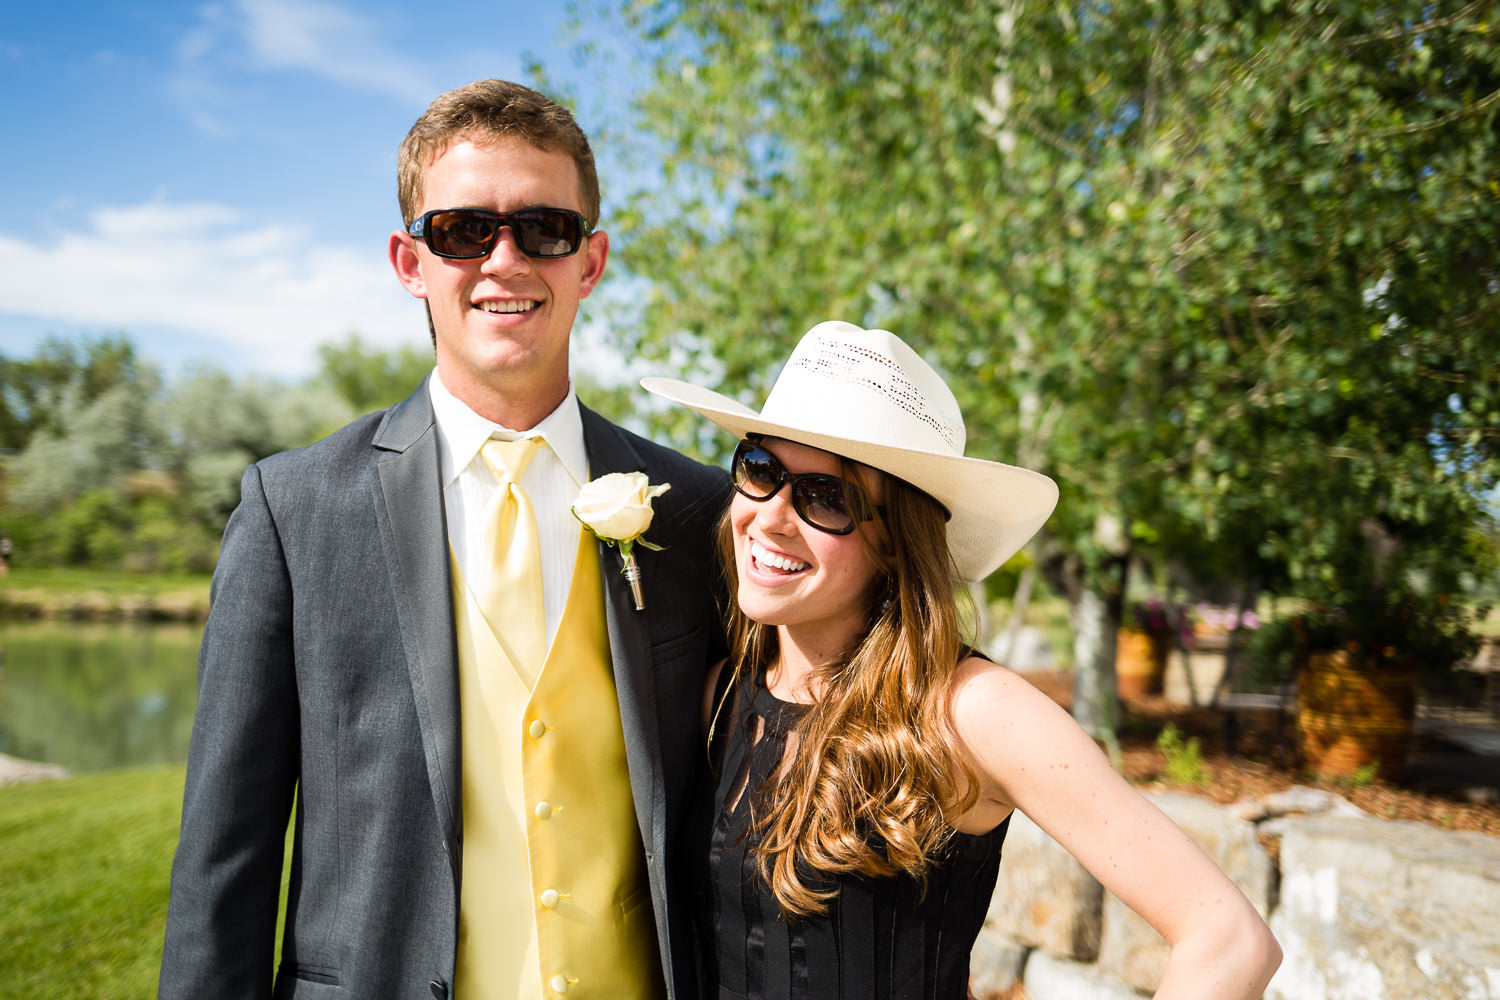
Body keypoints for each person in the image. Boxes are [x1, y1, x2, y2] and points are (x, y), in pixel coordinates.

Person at [160, 80, 729, 1000]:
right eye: (463, 231)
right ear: (409, 260)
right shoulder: (293, 510)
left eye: (544, 229)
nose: (504, 261)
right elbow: (224, 857)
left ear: (590, 262)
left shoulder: (695, 510)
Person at [642, 321, 1282, 1000]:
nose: (770, 516)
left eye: (827, 497)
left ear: (895, 541)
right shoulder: (722, 696)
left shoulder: (972, 711)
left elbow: (1230, 941)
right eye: (761, 470)